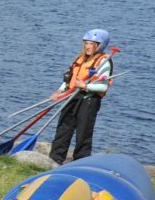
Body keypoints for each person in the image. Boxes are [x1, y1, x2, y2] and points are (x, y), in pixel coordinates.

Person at [48, 29, 115, 163]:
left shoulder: (104, 62)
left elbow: (103, 86)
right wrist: (59, 91)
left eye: (92, 44)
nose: (87, 46)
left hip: (89, 100)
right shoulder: (80, 59)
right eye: (86, 43)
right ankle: (55, 160)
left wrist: (85, 86)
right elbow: (69, 79)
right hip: (72, 96)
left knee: (83, 133)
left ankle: (80, 161)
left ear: (100, 45)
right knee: (63, 129)